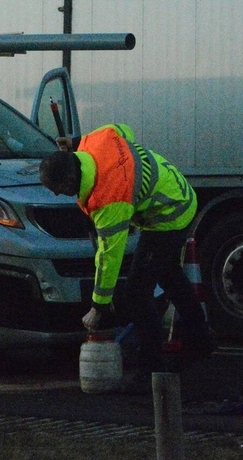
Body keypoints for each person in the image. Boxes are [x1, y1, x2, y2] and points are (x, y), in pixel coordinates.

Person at [39, 124, 216, 391]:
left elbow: (109, 257)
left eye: (56, 188)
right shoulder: (94, 142)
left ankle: (151, 369)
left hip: (170, 214)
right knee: (168, 274)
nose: (55, 194)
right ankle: (201, 339)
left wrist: (98, 307)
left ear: (70, 178)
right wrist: (75, 141)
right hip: (178, 192)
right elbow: (123, 130)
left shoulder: (110, 199)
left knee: (136, 292)